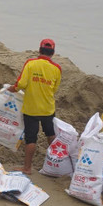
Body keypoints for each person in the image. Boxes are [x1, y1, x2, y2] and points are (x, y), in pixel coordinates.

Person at [11, 38, 63, 173]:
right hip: (47, 108)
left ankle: (27, 167)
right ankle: (56, 165)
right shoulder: (57, 68)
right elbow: (54, 89)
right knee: (51, 134)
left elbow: (21, 84)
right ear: (53, 53)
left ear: (39, 50)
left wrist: (13, 88)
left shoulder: (30, 63)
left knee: (31, 138)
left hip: (31, 108)